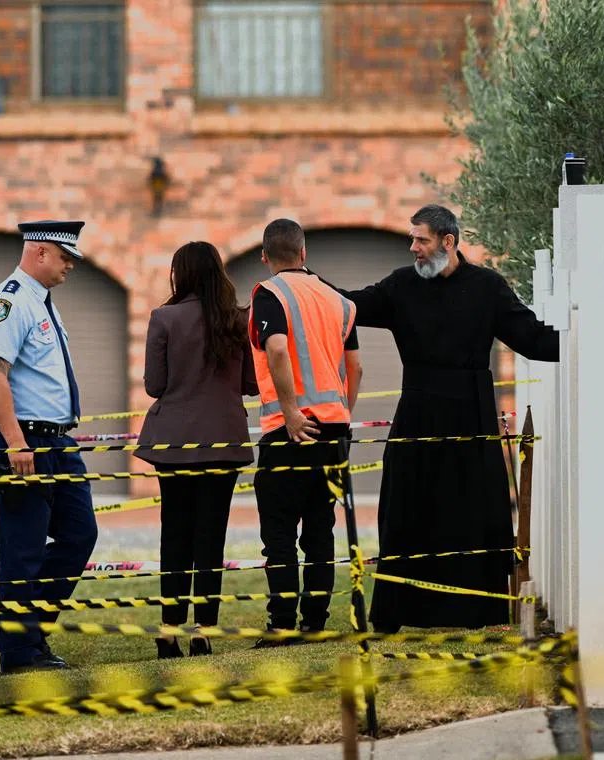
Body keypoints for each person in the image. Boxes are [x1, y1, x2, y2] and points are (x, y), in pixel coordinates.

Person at [344, 204, 559, 632]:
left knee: (475, 511)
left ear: (448, 241)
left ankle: (478, 611)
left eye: (421, 240)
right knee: (406, 508)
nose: (413, 248)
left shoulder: (487, 287)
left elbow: (531, 338)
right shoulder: (401, 286)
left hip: (471, 412)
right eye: (412, 240)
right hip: (419, 410)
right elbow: (350, 307)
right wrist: (305, 284)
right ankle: (399, 611)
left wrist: (587, 337)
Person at [0, 220, 99, 674]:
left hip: (56, 441)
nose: (70, 266)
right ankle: (20, 654)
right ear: (41, 252)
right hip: (25, 440)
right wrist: (14, 442)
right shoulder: (8, 301)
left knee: (80, 534)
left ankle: (24, 629)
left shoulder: (40, 303)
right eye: (65, 257)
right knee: (23, 548)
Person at [135, 241, 259, 659]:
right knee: (211, 537)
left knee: (175, 534)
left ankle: (169, 631)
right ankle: (203, 630)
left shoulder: (164, 318)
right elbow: (250, 384)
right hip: (223, 439)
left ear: (180, 274)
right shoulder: (237, 320)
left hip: (174, 442)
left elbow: (155, 385)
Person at [248, 219, 363, 646]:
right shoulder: (338, 300)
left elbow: (277, 348)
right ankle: (315, 621)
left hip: (289, 431)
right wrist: (342, 414)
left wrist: (293, 411)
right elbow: (356, 367)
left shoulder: (270, 294)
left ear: (265, 256)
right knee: (320, 529)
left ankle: (282, 624)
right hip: (334, 431)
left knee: (279, 532)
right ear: (304, 253)